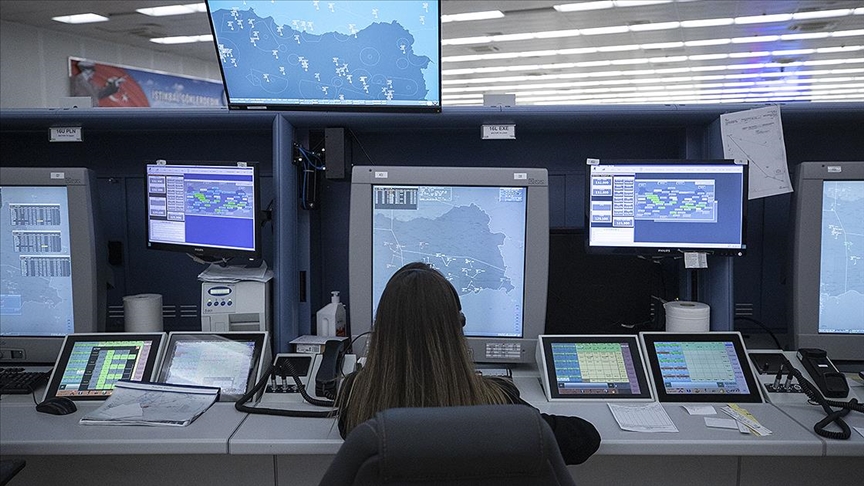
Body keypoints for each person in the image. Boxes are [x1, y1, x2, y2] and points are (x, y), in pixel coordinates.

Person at [335, 262, 601, 465]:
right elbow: (584, 439)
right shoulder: (496, 401)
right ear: (457, 327)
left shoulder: (356, 398)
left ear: (381, 330)